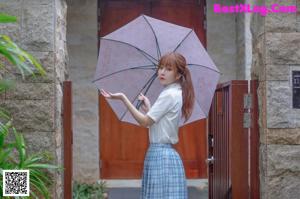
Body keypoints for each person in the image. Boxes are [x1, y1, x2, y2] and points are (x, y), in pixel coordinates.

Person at [100, 52, 195, 199]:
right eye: (161, 67)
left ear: (178, 75)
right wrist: (150, 109)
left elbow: (145, 122)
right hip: (168, 157)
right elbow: (160, 124)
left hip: (160, 157)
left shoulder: (168, 94)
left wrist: (123, 98)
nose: (162, 72)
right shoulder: (176, 92)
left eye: (169, 69)